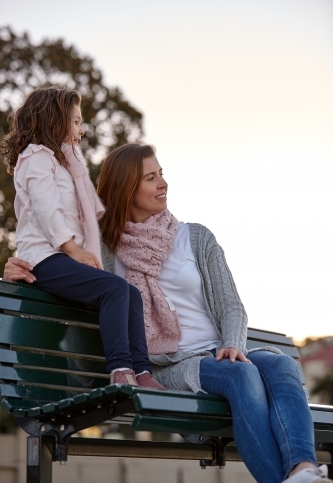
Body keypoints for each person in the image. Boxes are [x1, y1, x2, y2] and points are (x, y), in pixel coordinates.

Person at [3, 143, 332, 483]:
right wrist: (21, 267)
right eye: (150, 177)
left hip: (220, 352)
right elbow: (59, 272)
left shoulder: (197, 237)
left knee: (280, 363)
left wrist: (233, 343)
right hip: (170, 367)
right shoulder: (99, 248)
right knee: (241, 376)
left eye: (161, 174)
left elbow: (231, 305)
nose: (163, 184)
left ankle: (303, 470)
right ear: (125, 189)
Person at [0, 88, 164, 391]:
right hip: (44, 259)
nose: (81, 129)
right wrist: (73, 248)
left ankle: (142, 371)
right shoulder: (36, 157)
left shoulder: (64, 163)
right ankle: (120, 370)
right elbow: (46, 208)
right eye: (76, 121)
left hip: (60, 256)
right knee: (114, 288)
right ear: (55, 120)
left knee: (131, 294)